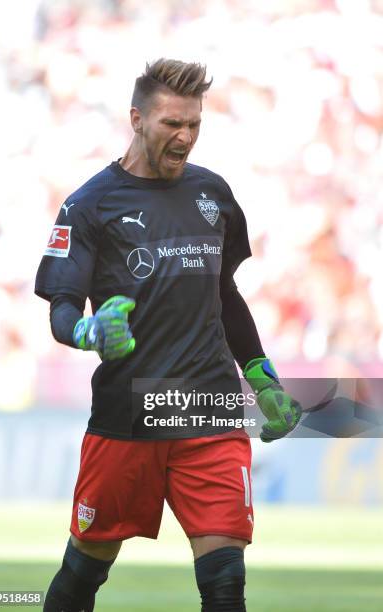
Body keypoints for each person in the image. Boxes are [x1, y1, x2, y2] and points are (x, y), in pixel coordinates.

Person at [35, 58, 301, 612]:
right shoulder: (89, 205)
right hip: (127, 416)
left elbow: (224, 296)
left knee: (226, 586)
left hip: (208, 407)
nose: (185, 137)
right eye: (171, 124)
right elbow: (61, 309)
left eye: (194, 124)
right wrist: (88, 331)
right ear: (137, 119)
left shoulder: (214, 194)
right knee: (82, 576)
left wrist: (261, 376)